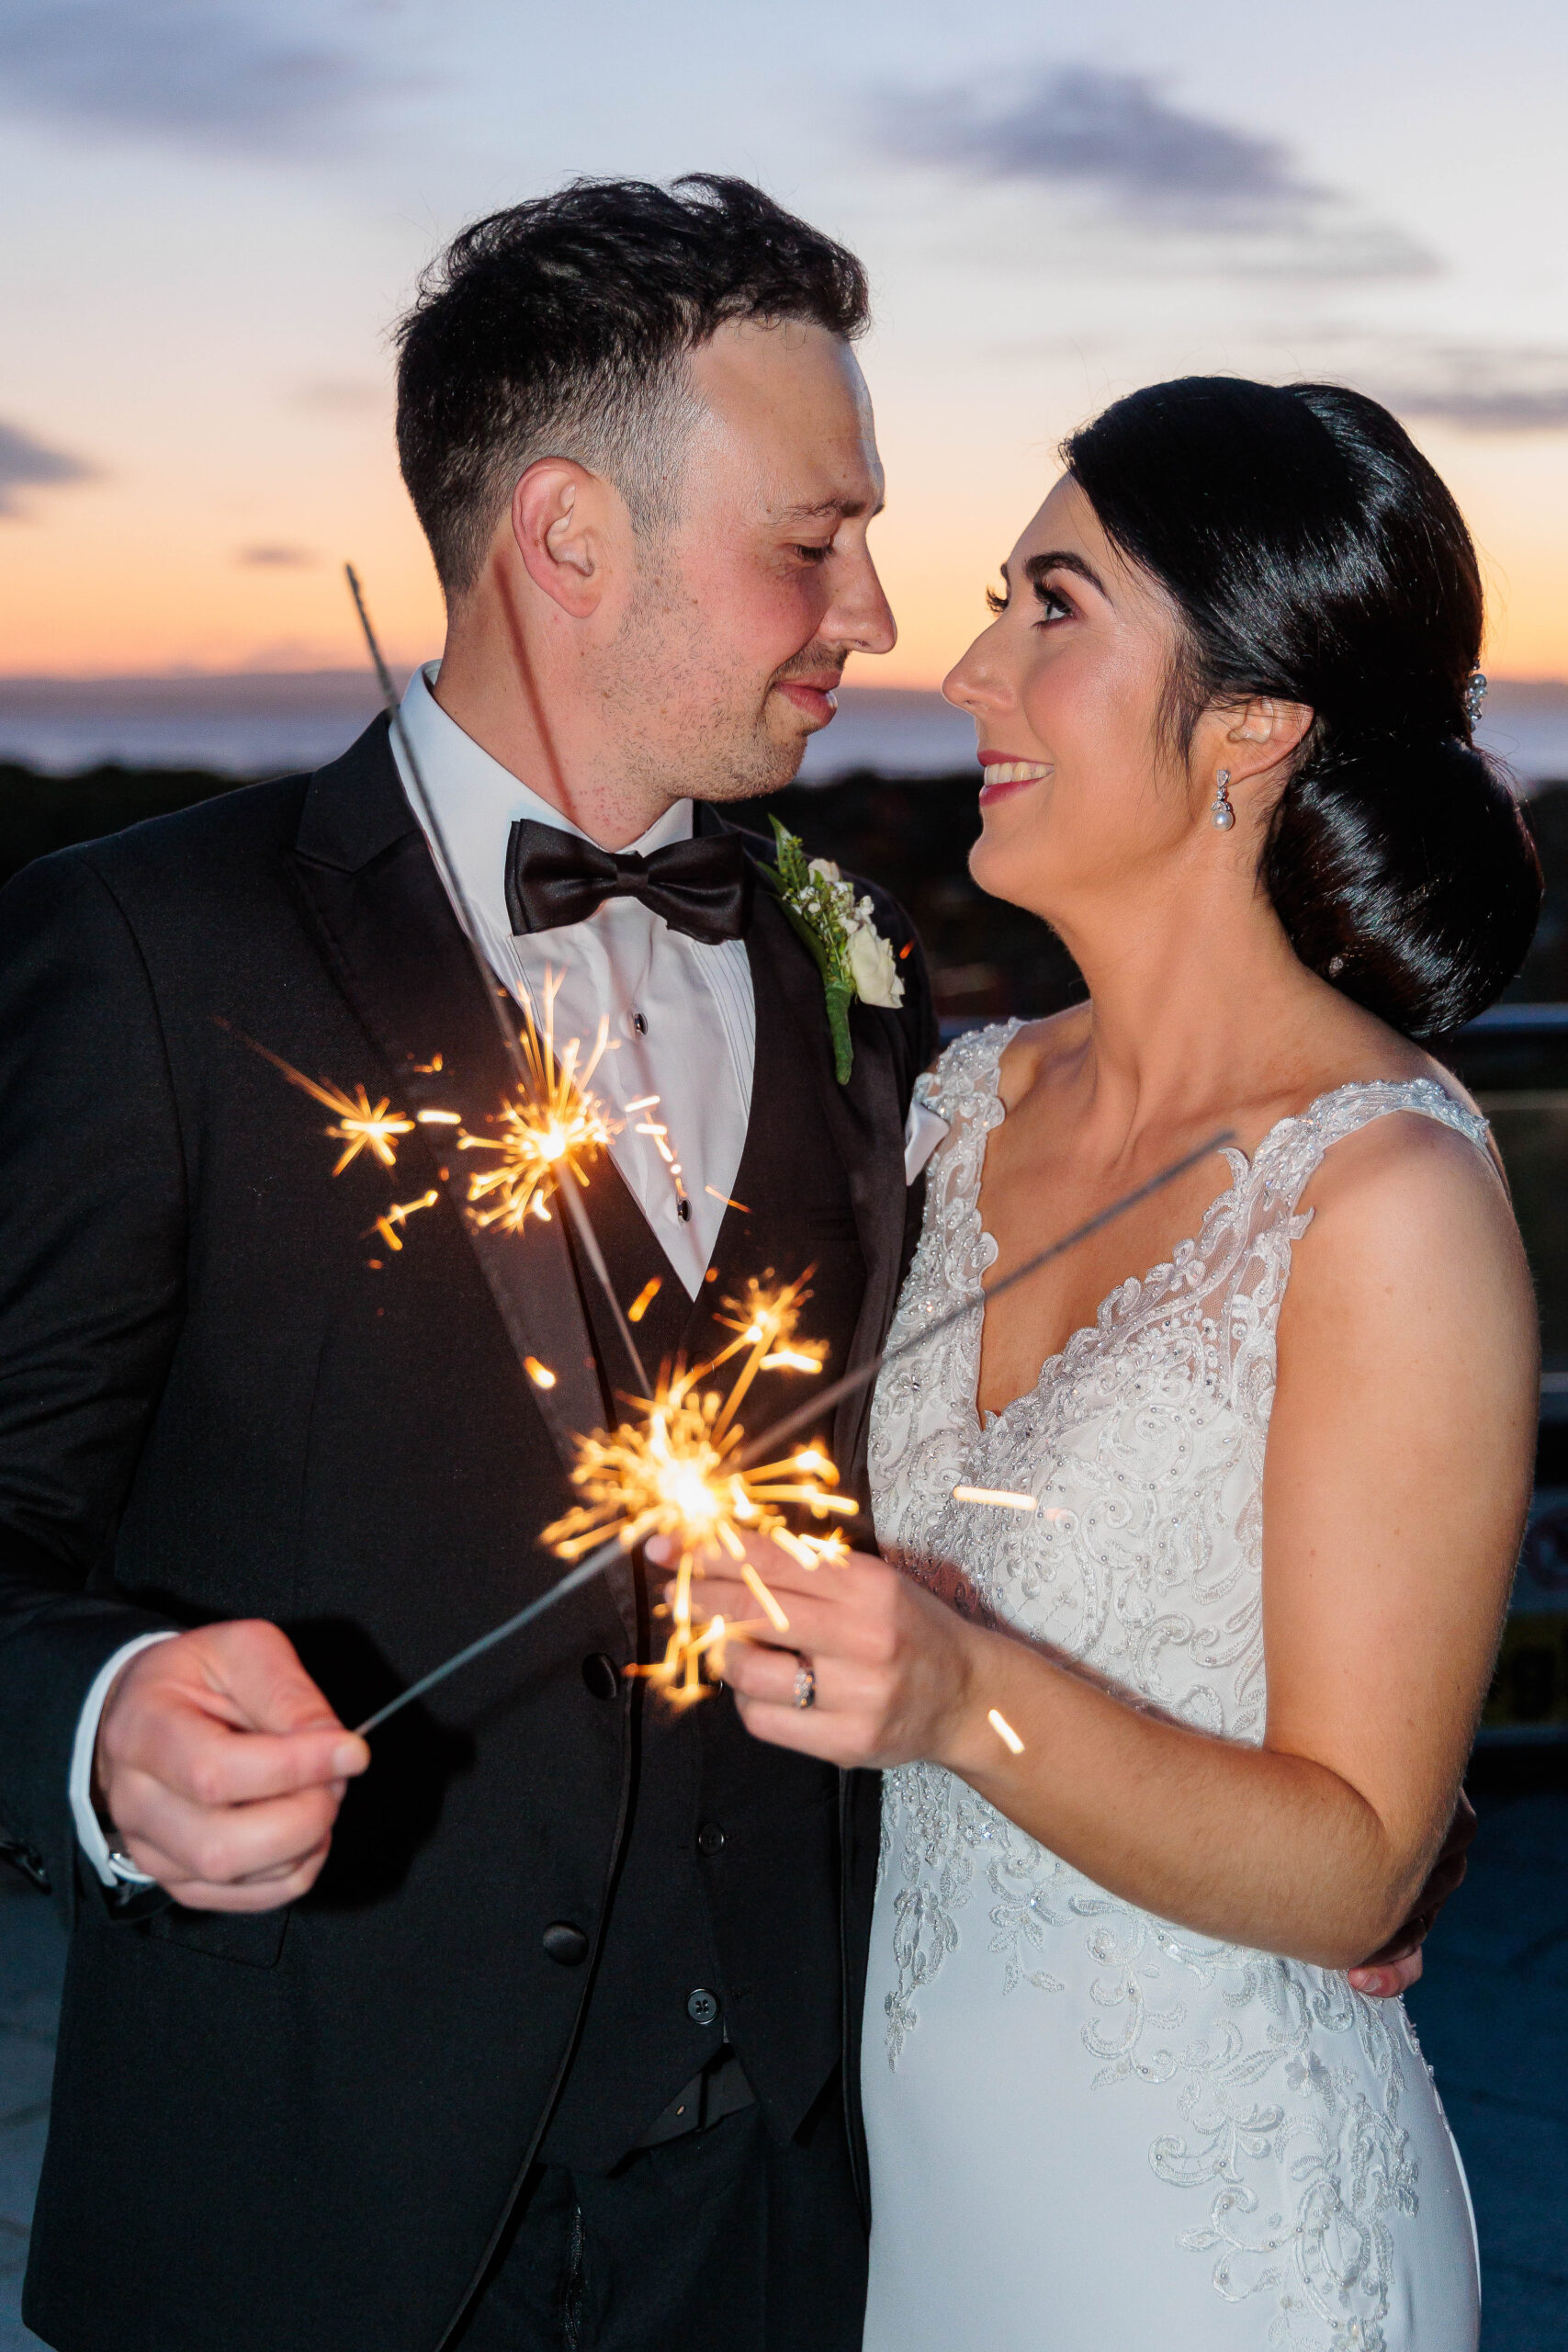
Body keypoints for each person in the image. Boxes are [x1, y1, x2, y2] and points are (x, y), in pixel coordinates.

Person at [0, 175, 932, 2352]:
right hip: (304, 2220)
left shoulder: (843, 971)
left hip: (777, 2216)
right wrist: (100, 1725)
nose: (871, 612)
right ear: (566, 534)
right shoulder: (149, 947)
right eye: (813, 540)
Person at [694, 377, 1541, 2349]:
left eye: (1051, 606)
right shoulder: (948, 1105)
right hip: (927, 2213)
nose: (967, 668)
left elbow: (1359, 1867)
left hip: (1218, 2236)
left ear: (1253, 722)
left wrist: (964, 1692)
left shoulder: (1382, 1193)